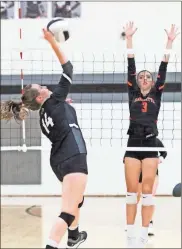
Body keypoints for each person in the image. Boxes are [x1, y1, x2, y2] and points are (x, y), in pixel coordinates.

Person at [1, 28, 88, 249]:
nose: (46, 87)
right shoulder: (55, 100)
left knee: (75, 200)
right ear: (40, 96)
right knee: (68, 210)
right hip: (73, 155)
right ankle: (52, 245)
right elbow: (68, 67)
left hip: (58, 161)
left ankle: (74, 236)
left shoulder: (42, 116)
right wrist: (52, 42)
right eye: (41, 87)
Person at [123, 22, 179, 248]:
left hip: (150, 144)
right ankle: (130, 236)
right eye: (142, 77)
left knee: (147, 193)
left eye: (148, 76)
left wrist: (170, 43)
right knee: (130, 193)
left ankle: (144, 234)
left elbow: (164, 66)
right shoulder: (132, 92)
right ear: (137, 81)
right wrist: (129, 39)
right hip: (132, 142)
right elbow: (131, 65)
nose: (145, 78)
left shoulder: (157, 93)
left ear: (153, 81)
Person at [137, 138, 167, 236]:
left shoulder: (155, 141)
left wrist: (160, 159)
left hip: (152, 172)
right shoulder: (136, 140)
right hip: (139, 172)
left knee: (151, 197)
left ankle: (149, 223)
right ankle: (130, 222)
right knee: (136, 197)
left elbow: (164, 152)